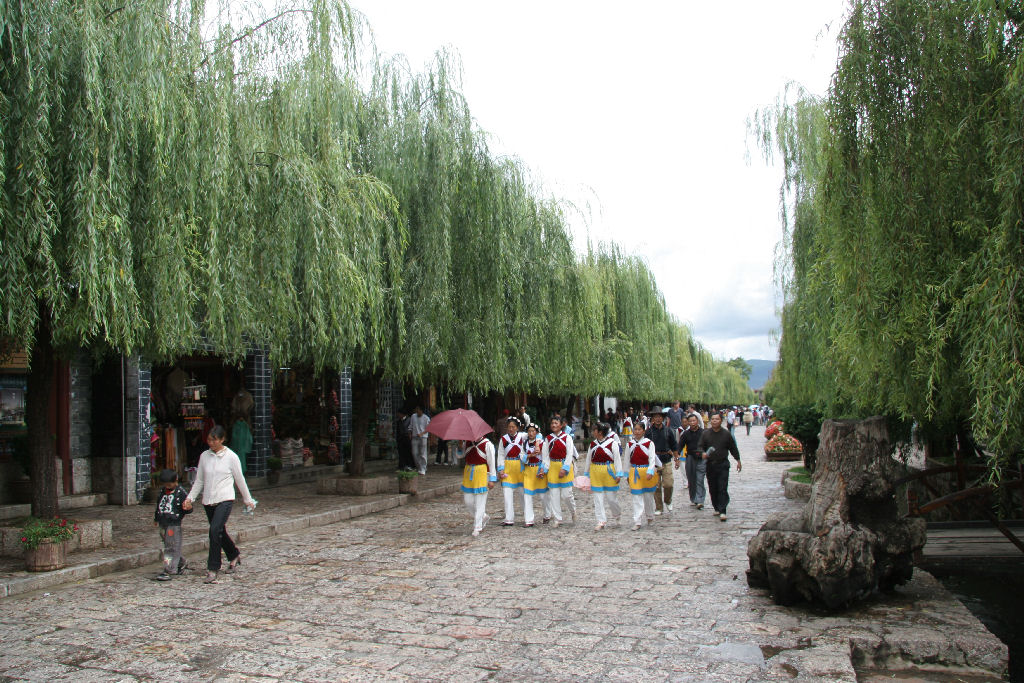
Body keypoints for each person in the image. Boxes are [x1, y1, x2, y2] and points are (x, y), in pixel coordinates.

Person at [184, 425, 256, 583]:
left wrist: (247, 499)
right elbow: (200, 480)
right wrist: (190, 498)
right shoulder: (204, 456)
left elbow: (239, 479)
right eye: (209, 440)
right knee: (219, 531)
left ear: (222, 439)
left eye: (214, 440)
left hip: (225, 498)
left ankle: (213, 567)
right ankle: (234, 555)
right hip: (208, 500)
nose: (211, 443)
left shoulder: (231, 457)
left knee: (214, 530)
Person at [697, 413, 742, 521]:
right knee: (713, 488)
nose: (714, 421)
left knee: (722, 487)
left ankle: (723, 510)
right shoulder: (706, 434)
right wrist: (702, 453)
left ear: (721, 421)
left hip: (723, 464)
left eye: (717, 419)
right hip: (710, 465)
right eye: (712, 419)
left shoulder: (726, 434)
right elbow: (700, 446)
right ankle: (716, 507)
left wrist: (738, 460)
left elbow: (733, 448)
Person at [153, 469, 192, 581]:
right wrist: (156, 518)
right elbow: (158, 505)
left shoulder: (181, 493)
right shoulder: (162, 492)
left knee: (170, 547)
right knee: (167, 545)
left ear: (176, 481)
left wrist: (188, 508)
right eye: (165, 484)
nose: (168, 486)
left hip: (173, 524)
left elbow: (187, 508)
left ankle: (169, 569)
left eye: (170, 484)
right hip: (163, 522)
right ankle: (180, 562)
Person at [584, 422, 624, 530]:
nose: (593, 432)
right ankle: (601, 520)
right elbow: (588, 459)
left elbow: (617, 459)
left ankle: (617, 514)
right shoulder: (592, 444)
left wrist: (619, 473)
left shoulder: (612, 443)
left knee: (612, 499)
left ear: (600, 432)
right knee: (598, 498)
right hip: (596, 472)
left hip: (609, 472)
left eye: (594, 430)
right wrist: (586, 473)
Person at [542, 416, 577, 528]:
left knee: (566, 494)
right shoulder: (548, 439)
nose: (554, 425)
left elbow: (569, 454)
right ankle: (558, 518)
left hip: (564, 465)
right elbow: (546, 456)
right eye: (552, 423)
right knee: (554, 494)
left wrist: (565, 468)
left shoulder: (567, 438)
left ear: (561, 425)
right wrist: (544, 468)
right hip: (553, 466)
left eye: (556, 423)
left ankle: (573, 510)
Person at [461, 434, 497, 536]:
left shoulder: (487, 444)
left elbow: (491, 463)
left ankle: (477, 526)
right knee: (468, 501)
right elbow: (461, 456)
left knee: (480, 502)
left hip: (482, 473)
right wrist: (460, 447)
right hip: (469, 472)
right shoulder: (467, 443)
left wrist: (492, 479)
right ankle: (483, 516)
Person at [625, 421, 658, 530]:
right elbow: (627, 460)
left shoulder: (649, 443)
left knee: (648, 497)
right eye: (635, 429)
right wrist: (626, 474)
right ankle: (637, 521)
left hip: (646, 471)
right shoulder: (630, 444)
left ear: (644, 431)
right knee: (636, 497)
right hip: (634, 472)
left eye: (639, 429)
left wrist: (650, 471)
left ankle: (650, 516)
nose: (637, 432)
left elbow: (652, 458)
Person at [647, 409, 678, 514]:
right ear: (652, 419)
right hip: (654, 462)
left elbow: (674, 446)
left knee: (668, 484)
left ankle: (668, 500)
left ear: (663, 418)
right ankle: (659, 507)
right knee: (656, 486)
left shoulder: (668, 431)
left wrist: (676, 459)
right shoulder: (648, 432)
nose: (658, 419)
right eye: (655, 417)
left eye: (660, 416)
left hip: (666, 460)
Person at [497, 417, 526, 526]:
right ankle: (509, 518)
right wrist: (500, 468)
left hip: (520, 467)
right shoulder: (503, 439)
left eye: (513, 427)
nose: (511, 429)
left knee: (523, 493)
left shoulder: (523, 436)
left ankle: (527, 515)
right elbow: (500, 454)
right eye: (509, 427)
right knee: (507, 493)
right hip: (508, 466)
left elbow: (535, 436)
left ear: (517, 427)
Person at [521, 423, 549, 527]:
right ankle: (529, 520)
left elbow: (546, 458)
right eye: (529, 431)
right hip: (528, 470)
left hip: (539, 470)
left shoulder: (542, 443)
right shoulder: (524, 443)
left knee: (543, 495)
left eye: (533, 431)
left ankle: (547, 514)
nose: (531, 433)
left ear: (536, 432)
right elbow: (521, 455)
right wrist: (530, 455)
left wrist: (543, 469)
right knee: (527, 495)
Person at [677, 414, 706, 509]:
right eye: (691, 421)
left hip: (701, 458)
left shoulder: (703, 432)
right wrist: (676, 456)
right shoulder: (686, 434)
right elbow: (680, 445)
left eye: (694, 420)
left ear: (697, 421)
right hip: (690, 457)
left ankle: (700, 499)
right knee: (691, 479)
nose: (693, 423)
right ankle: (693, 498)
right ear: (688, 422)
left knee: (700, 479)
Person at [408, 406, 431, 475]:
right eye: (416, 409)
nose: (417, 411)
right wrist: (410, 433)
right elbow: (411, 426)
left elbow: (428, 429)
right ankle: (419, 467)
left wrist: (422, 433)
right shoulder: (413, 416)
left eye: (418, 409)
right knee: (414, 453)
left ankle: (423, 468)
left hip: (423, 437)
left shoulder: (426, 418)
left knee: (423, 453)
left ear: (421, 410)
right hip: (414, 437)